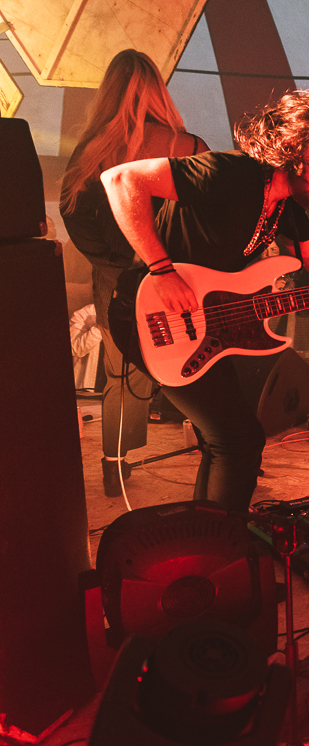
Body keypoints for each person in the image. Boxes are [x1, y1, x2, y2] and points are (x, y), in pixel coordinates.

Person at [101, 89, 309, 516]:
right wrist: (161, 269)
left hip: (202, 326)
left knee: (227, 440)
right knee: (237, 440)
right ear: (294, 147)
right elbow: (121, 180)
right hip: (146, 310)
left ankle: (210, 539)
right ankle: (221, 548)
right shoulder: (232, 172)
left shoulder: (285, 209)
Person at [60, 49, 208, 497]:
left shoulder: (91, 152)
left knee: (121, 375)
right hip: (176, 281)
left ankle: (114, 464)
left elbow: (73, 216)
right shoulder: (187, 147)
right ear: (158, 93)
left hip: (115, 284)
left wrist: (112, 260)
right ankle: (221, 451)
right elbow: (203, 219)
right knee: (199, 364)